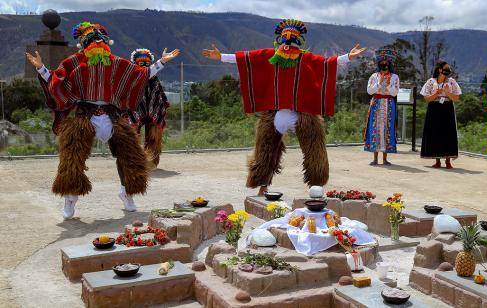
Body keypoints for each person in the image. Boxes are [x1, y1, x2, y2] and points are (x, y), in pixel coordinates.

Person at [26, 21, 180, 219]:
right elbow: (57, 81)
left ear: (107, 42)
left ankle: (127, 193)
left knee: (130, 154)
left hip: (112, 116)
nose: (97, 41)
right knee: (72, 156)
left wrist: (161, 62)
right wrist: (41, 69)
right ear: (84, 42)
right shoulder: (73, 62)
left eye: (101, 39)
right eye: (92, 39)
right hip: (84, 117)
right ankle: (70, 198)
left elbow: (141, 75)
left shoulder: (117, 63)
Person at [202, 19, 367, 195]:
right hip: (276, 114)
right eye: (285, 37)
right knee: (265, 149)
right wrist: (221, 57)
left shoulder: (306, 58)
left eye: (292, 38)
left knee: (314, 148)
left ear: (299, 40)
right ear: (279, 39)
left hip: (302, 114)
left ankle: (315, 187)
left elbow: (327, 63)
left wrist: (348, 57)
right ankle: (263, 185)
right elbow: (246, 59)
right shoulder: (270, 56)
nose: (288, 41)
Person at [127, 49, 170, 167]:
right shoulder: (132, 77)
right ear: (135, 62)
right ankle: (134, 160)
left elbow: (158, 94)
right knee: (133, 134)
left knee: (154, 136)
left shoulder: (154, 78)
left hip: (153, 109)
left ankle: (152, 160)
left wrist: (160, 105)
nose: (144, 64)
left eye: (146, 62)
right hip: (135, 109)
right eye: (140, 62)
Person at [420, 61, 462, 168]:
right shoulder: (430, 82)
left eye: (449, 68)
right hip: (434, 108)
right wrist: (436, 93)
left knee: (448, 132)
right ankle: (437, 160)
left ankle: (448, 161)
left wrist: (447, 92)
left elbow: (456, 98)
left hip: (447, 107)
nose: (448, 70)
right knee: (435, 132)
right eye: (446, 68)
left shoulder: (452, 82)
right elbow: (426, 98)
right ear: (440, 69)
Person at [364, 48, 400, 165]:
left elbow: (394, 93)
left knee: (387, 129)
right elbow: (369, 91)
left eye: (386, 63)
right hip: (376, 103)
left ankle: (385, 158)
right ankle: (375, 158)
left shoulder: (395, 77)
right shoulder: (374, 76)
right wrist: (380, 82)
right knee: (376, 129)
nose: (384, 65)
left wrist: (388, 85)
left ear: (389, 64)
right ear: (379, 64)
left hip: (389, 103)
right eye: (382, 63)